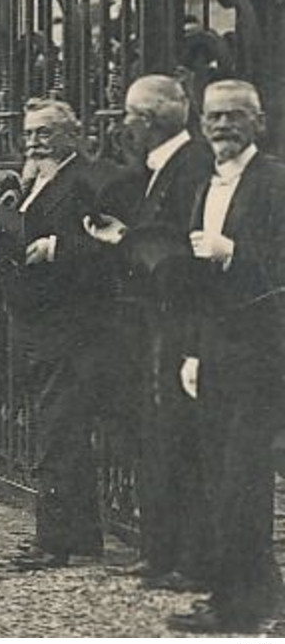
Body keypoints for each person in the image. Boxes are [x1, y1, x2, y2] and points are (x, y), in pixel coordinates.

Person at [85, 75, 213, 591]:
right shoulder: (157, 168)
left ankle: (190, 556)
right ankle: (160, 551)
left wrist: (123, 239)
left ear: (152, 120)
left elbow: (180, 247)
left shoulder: (192, 167)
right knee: (156, 438)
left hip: (181, 320)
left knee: (181, 439)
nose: (123, 127)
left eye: (130, 117)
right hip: (152, 319)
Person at [166, 80, 285, 633]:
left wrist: (233, 253)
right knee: (220, 473)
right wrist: (191, 350)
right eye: (213, 117)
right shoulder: (203, 184)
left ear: (257, 123)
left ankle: (236, 606)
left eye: (234, 117)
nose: (221, 127)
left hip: (259, 351)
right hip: (214, 349)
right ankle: (257, 593)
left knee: (243, 477)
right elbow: (194, 282)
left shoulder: (275, 182)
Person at [3, 97, 120, 570]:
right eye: (30, 133)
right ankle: (83, 535)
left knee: (57, 433)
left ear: (72, 134)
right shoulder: (35, 178)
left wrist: (57, 248)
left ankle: (53, 541)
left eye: (44, 133)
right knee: (58, 429)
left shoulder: (89, 181)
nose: (34, 142)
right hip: (40, 321)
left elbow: (112, 247)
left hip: (71, 326)